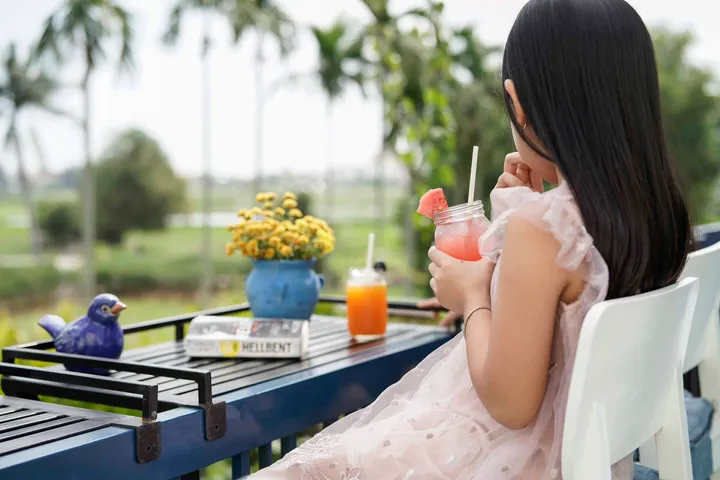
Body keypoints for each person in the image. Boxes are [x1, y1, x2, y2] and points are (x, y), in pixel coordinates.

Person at [251, 0, 692, 478]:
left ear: (518, 103)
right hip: (588, 455)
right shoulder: (656, 216)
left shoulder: (542, 231)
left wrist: (472, 295)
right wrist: (528, 217)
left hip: (510, 457)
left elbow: (511, 403)